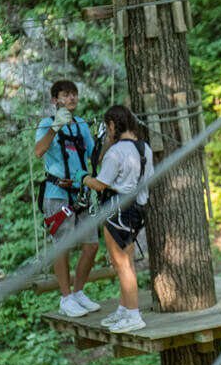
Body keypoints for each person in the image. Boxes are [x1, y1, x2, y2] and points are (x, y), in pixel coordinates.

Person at [82, 105, 154, 335]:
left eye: (108, 126)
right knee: (127, 262)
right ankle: (125, 308)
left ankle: (133, 314)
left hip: (117, 210)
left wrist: (84, 179)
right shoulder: (144, 149)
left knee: (120, 263)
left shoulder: (116, 153)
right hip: (137, 209)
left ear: (113, 125)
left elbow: (100, 184)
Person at [34, 79, 99, 318]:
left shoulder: (81, 125)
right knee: (62, 246)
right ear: (55, 100)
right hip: (57, 194)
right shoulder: (46, 124)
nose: (71, 98)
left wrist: (107, 139)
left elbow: (94, 155)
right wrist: (55, 128)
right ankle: (66, 297)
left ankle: (79, 292)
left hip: (82, 194)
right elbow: (39, 151)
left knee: (92, 245)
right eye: (66, 95)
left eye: (74, 94)